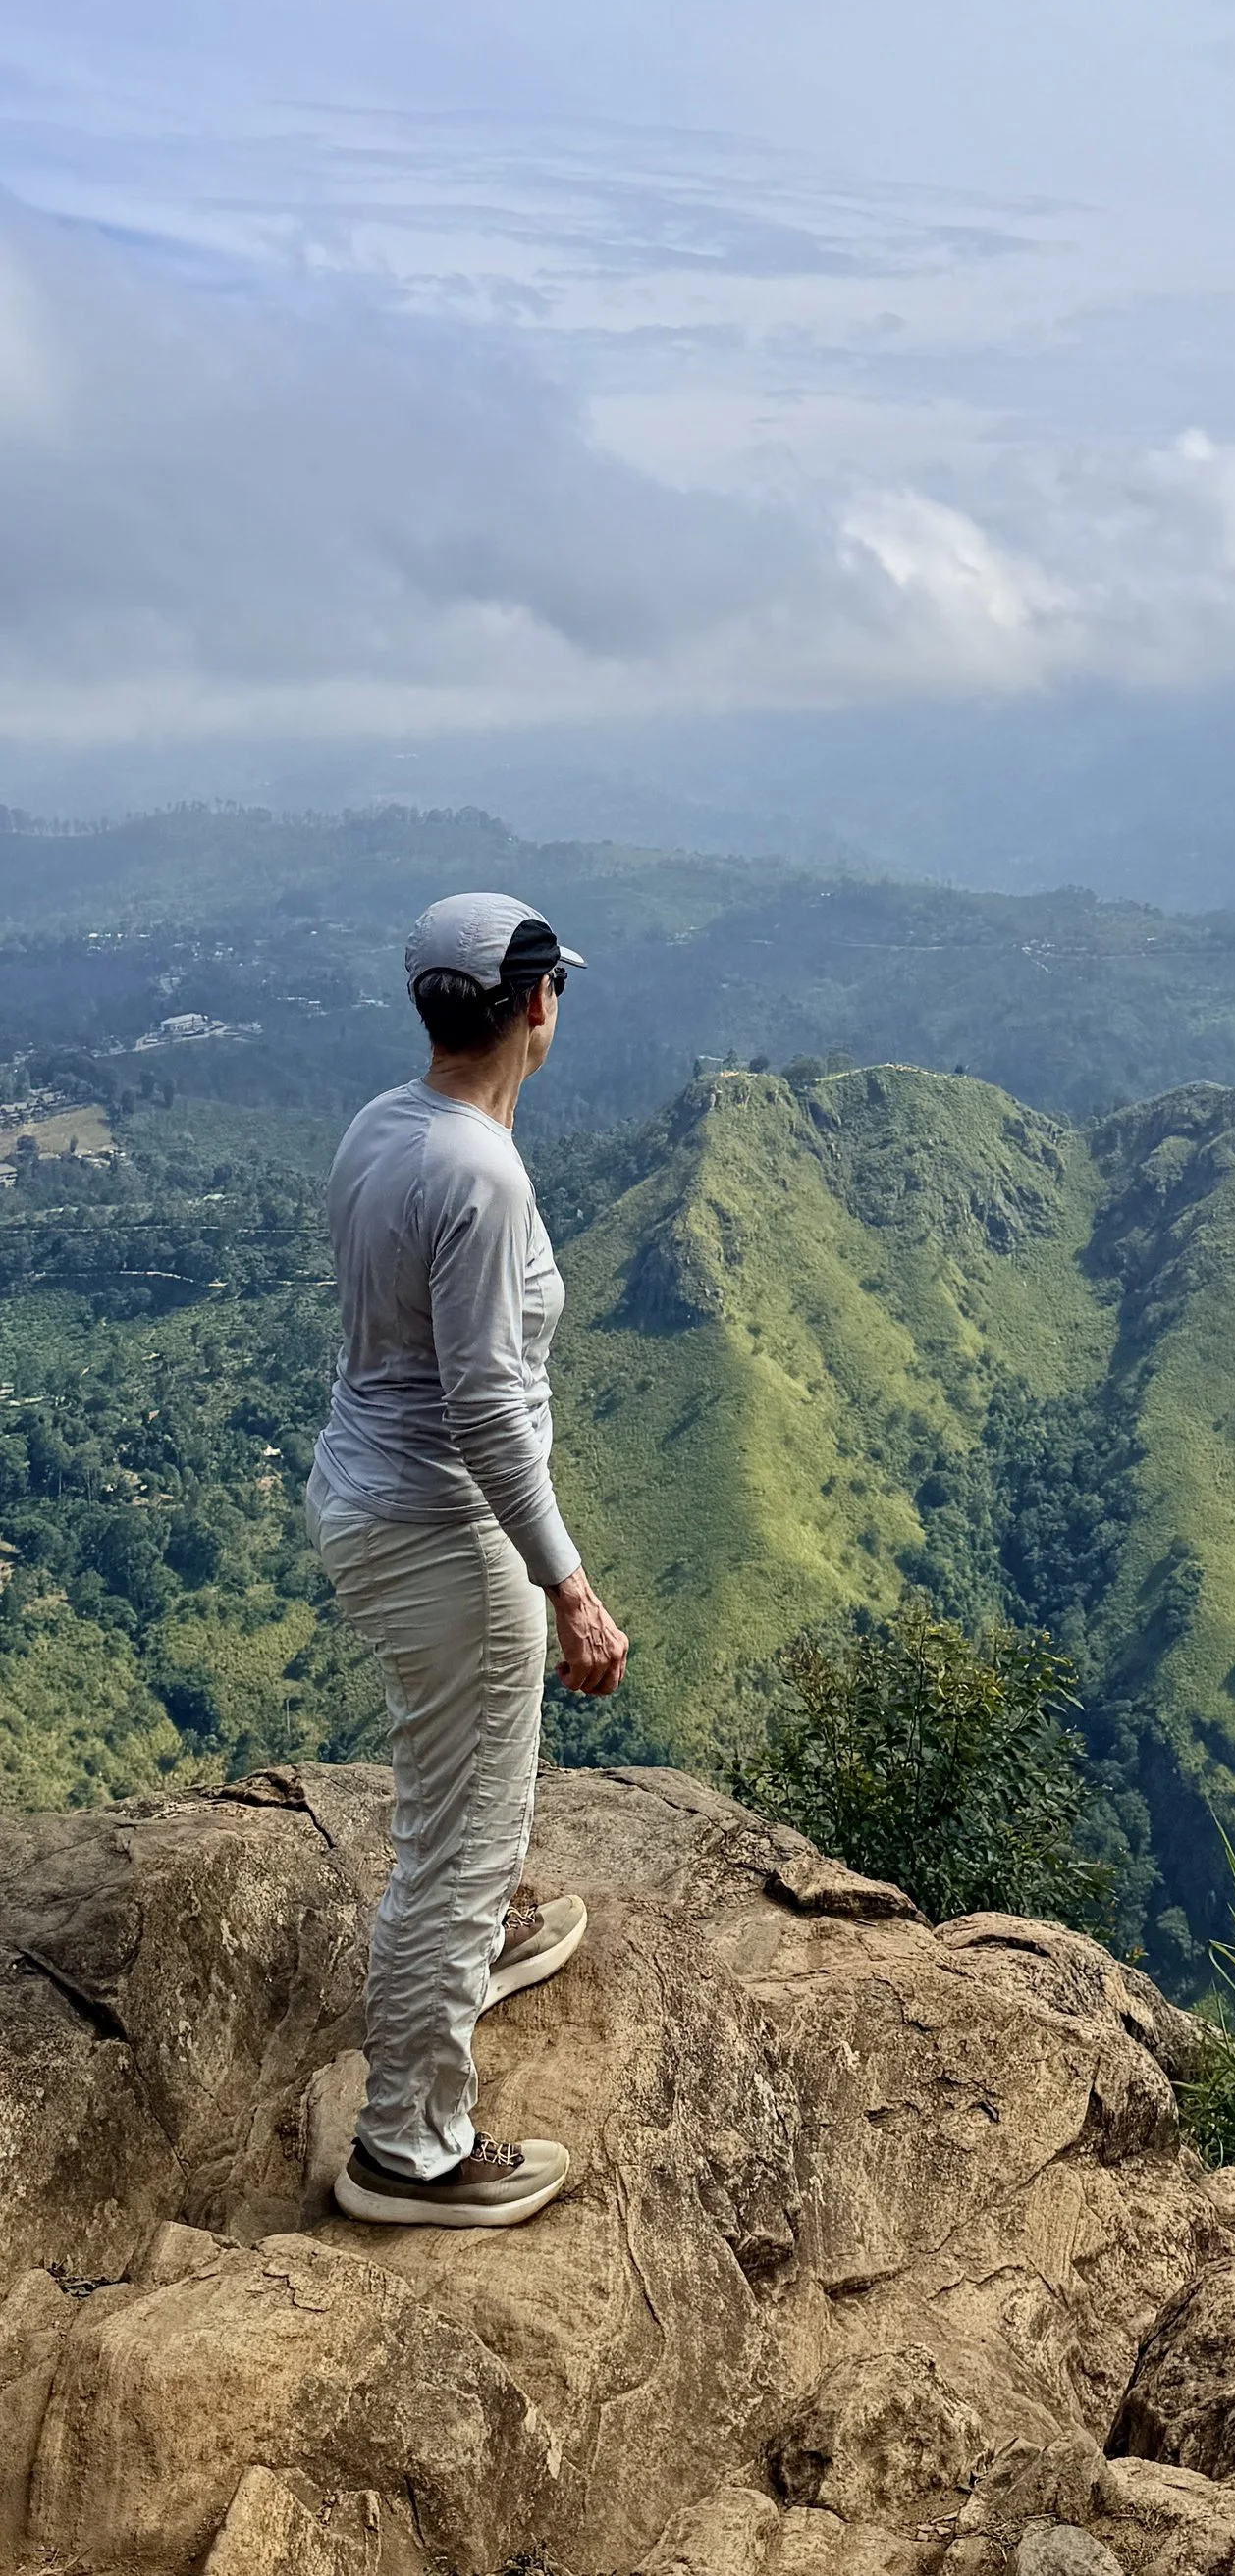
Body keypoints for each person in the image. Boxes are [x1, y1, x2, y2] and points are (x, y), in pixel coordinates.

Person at [307, 891, 630, 2230]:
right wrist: (569, 1586)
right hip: (447, 1532)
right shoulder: (484, 1176)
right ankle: (411, 2148)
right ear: (536, 1006)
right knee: (457, 1830)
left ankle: (478, 1937)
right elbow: (487, 1408)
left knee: (453, 1801)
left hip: (367, 1501)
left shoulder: (387, 1124)